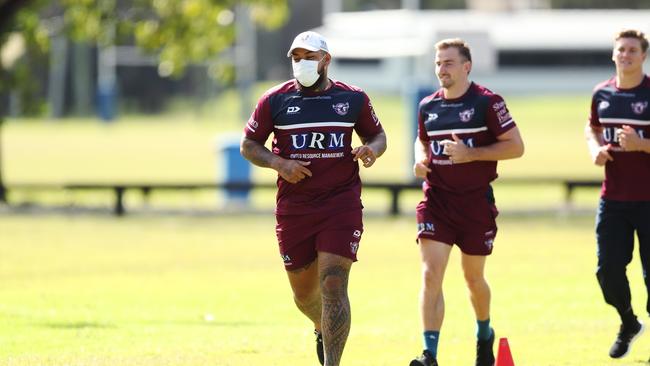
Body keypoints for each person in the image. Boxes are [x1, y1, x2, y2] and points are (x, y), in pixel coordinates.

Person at [240, 31, 387, 366]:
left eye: (309, 57)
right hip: (295, 209)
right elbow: (248, 145)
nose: (302, 63)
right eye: (297, 57)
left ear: (325, 60)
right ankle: (322, 327)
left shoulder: (353, 99)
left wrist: (371, 150)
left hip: (341, 204)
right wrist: (279, 163)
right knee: (304, 295)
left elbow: (377, 134)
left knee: (334, 283)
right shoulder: (274, 100)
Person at [409, 38, 524, 366]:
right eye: (438, 63)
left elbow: (516, 146)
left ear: (466, 66)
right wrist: (420, 160)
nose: (441, 69)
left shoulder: (488, 103)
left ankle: (484, 332)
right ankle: (429, 354)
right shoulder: (427, 106)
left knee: (473, 279)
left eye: (448, 62)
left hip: (475, 204)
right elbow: (422, 140)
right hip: (437, 202)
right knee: (431, 273)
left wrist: (471, 154)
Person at [585, 29, 650, 359]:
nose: (625, 55)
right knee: (607, 270)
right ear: (613, 55)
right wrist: (594, 148)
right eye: (620, 50)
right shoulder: (602, 93)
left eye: (632, 50)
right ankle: (628, 322)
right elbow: (592, 127)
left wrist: (642, 145)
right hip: (614, 199)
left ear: (643, 56)